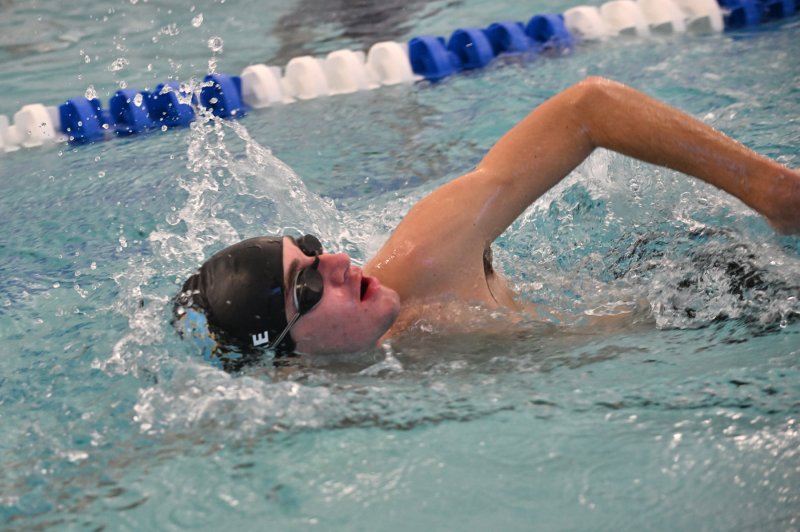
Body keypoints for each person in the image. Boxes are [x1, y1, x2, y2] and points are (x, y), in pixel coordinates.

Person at [174, 77, 800, 369]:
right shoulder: (312, 398)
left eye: (312, 250)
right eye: (308, 284)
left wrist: (768, 190)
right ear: (287, 357)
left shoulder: (427, 261)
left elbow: (587, 109)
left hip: (711, 293)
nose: (337, 261)